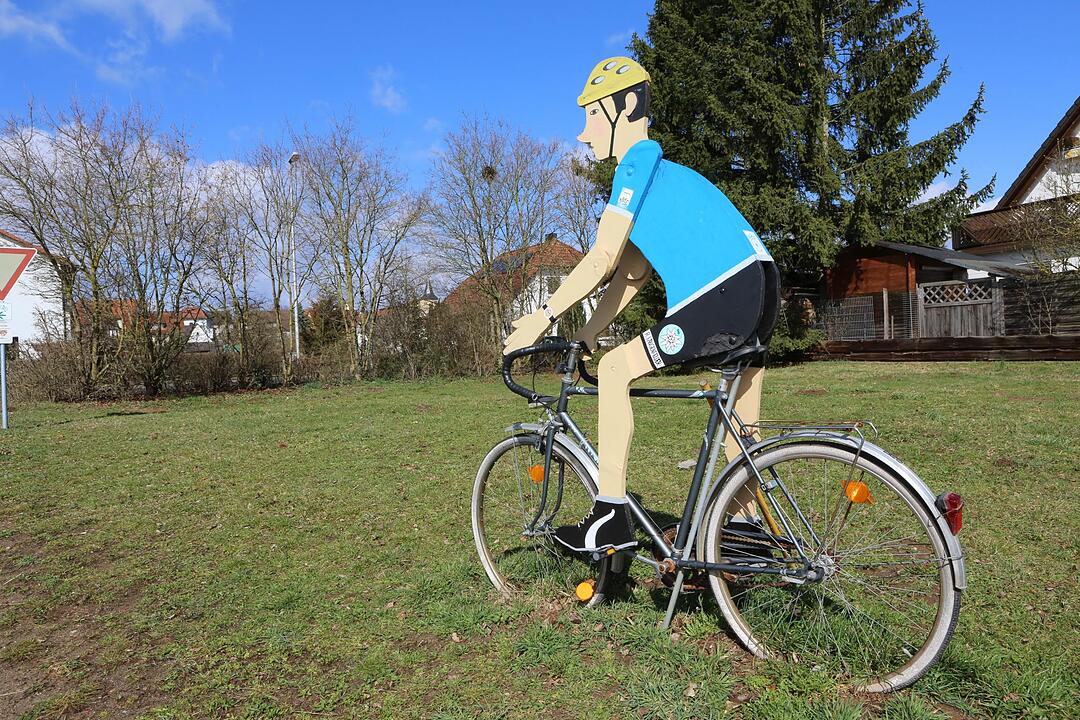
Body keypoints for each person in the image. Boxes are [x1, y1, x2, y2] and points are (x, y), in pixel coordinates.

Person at [502, 57, 780, 553]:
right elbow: (632, 273)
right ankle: (744, 527)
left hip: (722, 294)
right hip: (761, 282)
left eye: (593, 115)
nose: (584, 134)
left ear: (626, 106)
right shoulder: (660, 178)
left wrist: (542, 318)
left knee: (614, 370)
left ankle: (608, 516)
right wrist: (588, 331)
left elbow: (602, 258)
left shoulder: (637, 164)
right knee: (741, 422)